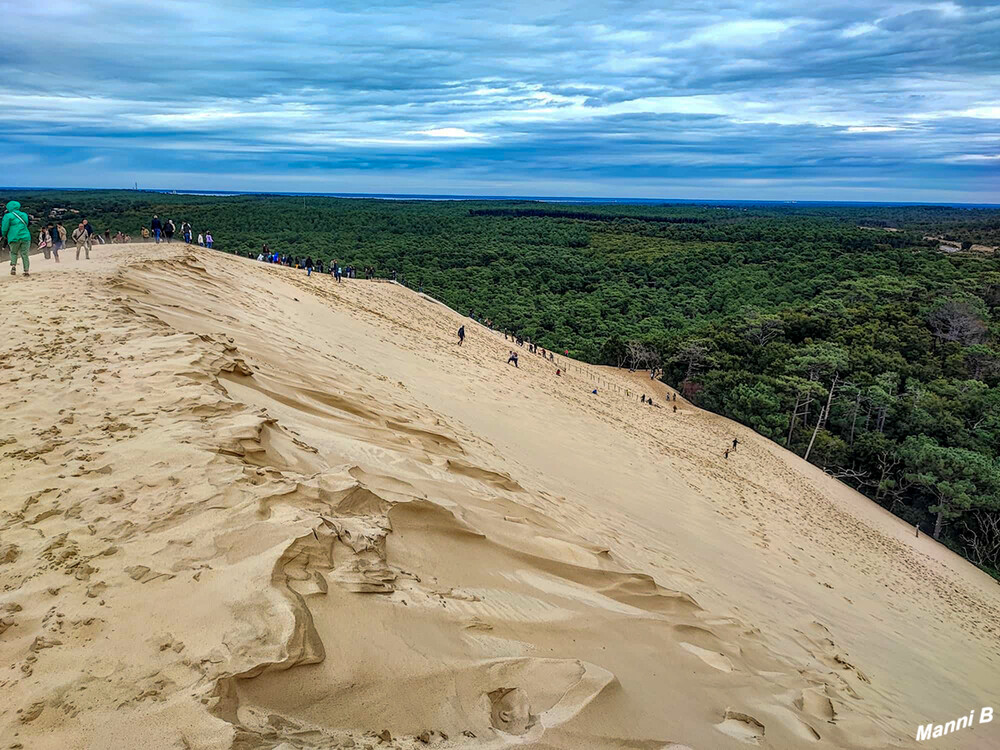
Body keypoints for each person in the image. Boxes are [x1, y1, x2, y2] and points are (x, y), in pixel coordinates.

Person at [3, 200, 32, 276]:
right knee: (25, 254)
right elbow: (27, 223)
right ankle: (26, 271)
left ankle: (13, 266)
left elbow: (4, 228)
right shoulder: (24, 215)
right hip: (25, 236)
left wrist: (4, 235)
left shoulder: (8, 216)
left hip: (13, 236)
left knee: (13, 253)